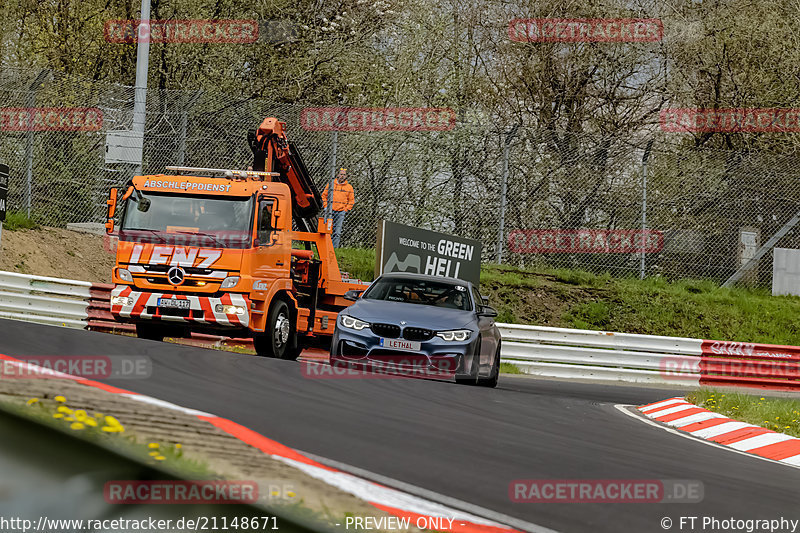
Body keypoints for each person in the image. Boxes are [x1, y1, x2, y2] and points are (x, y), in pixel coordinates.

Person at [322, 167, 355, 248]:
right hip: (329, 211)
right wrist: (326, 206)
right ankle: (324, 246)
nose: (342, 176)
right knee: (326, 230)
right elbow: (324, 196)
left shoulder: (349, 187)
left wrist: (345, 209)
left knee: (337, 232)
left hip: (340, 212)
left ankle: (334, 249)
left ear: (346, 176)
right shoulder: (331, 184)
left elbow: (351, 201)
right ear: (337, 175)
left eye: (344, 175)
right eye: (341, 174)